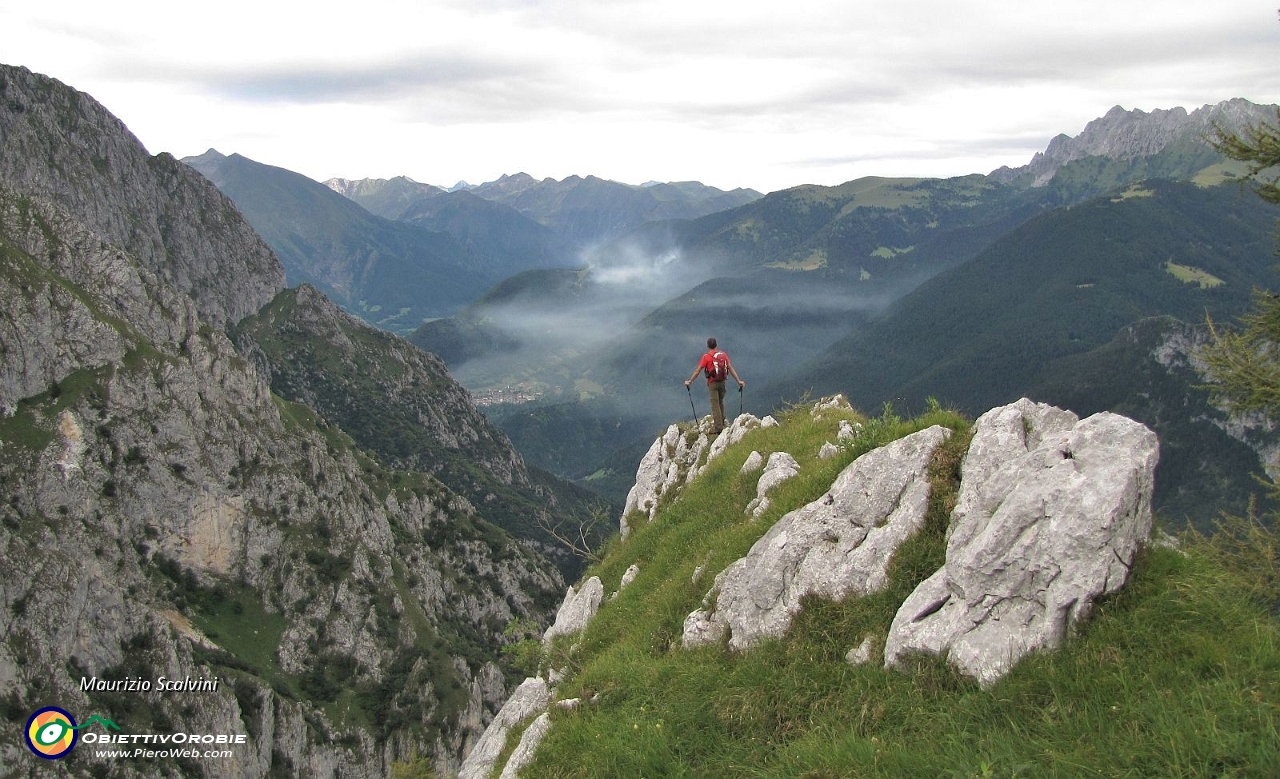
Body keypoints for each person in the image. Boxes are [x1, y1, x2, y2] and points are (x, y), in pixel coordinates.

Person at [684, 337, 745, 435]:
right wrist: (738, 381)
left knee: (715, 404)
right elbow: (730, 368)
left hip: (712, 383)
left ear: (708, 346)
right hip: (723, 382)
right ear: (716, 345)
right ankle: (722, 420)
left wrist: (690, 381)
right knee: (720, 402)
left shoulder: (706, 357)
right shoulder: (723, 355)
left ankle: (718, 427)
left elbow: (698, 370)